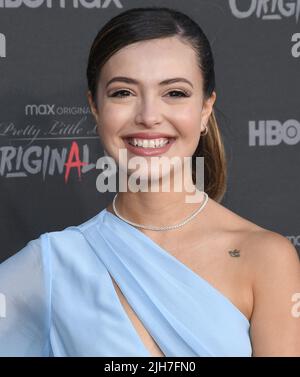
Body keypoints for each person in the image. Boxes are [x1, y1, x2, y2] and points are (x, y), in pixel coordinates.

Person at [0, 6, 300, 357]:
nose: (148, 117)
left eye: (174, 93)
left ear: (205, 109)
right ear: (95, 108)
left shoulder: (265, 257)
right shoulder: (55, 263)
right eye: (123, 93)